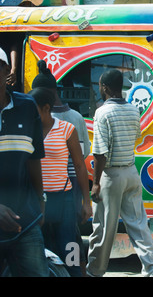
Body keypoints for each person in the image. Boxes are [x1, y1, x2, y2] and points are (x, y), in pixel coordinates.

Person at [87, 69, 153, 277]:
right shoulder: (133, 110)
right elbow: (136, 138)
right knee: (138, 224)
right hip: (131, 172)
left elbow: (100, 153)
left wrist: (95, 183)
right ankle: (152, 269)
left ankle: (94, 272)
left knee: (103, 229)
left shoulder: (102, 112)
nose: (100, 89)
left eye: (101, 86)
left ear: (106, 88)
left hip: (111, 176)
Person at [32, 60, 91, 275]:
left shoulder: (68, 127)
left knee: (70, 250)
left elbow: (79, 164)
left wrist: (86, 201)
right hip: (38, 200)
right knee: (41, 251)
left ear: (46, 108)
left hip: (64, 199)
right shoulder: (29, 130)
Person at [0, 48, 49, 276]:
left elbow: (33, 158)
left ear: (6, 71)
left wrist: (40, 200)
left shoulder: (27, 106)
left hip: (25, 221)